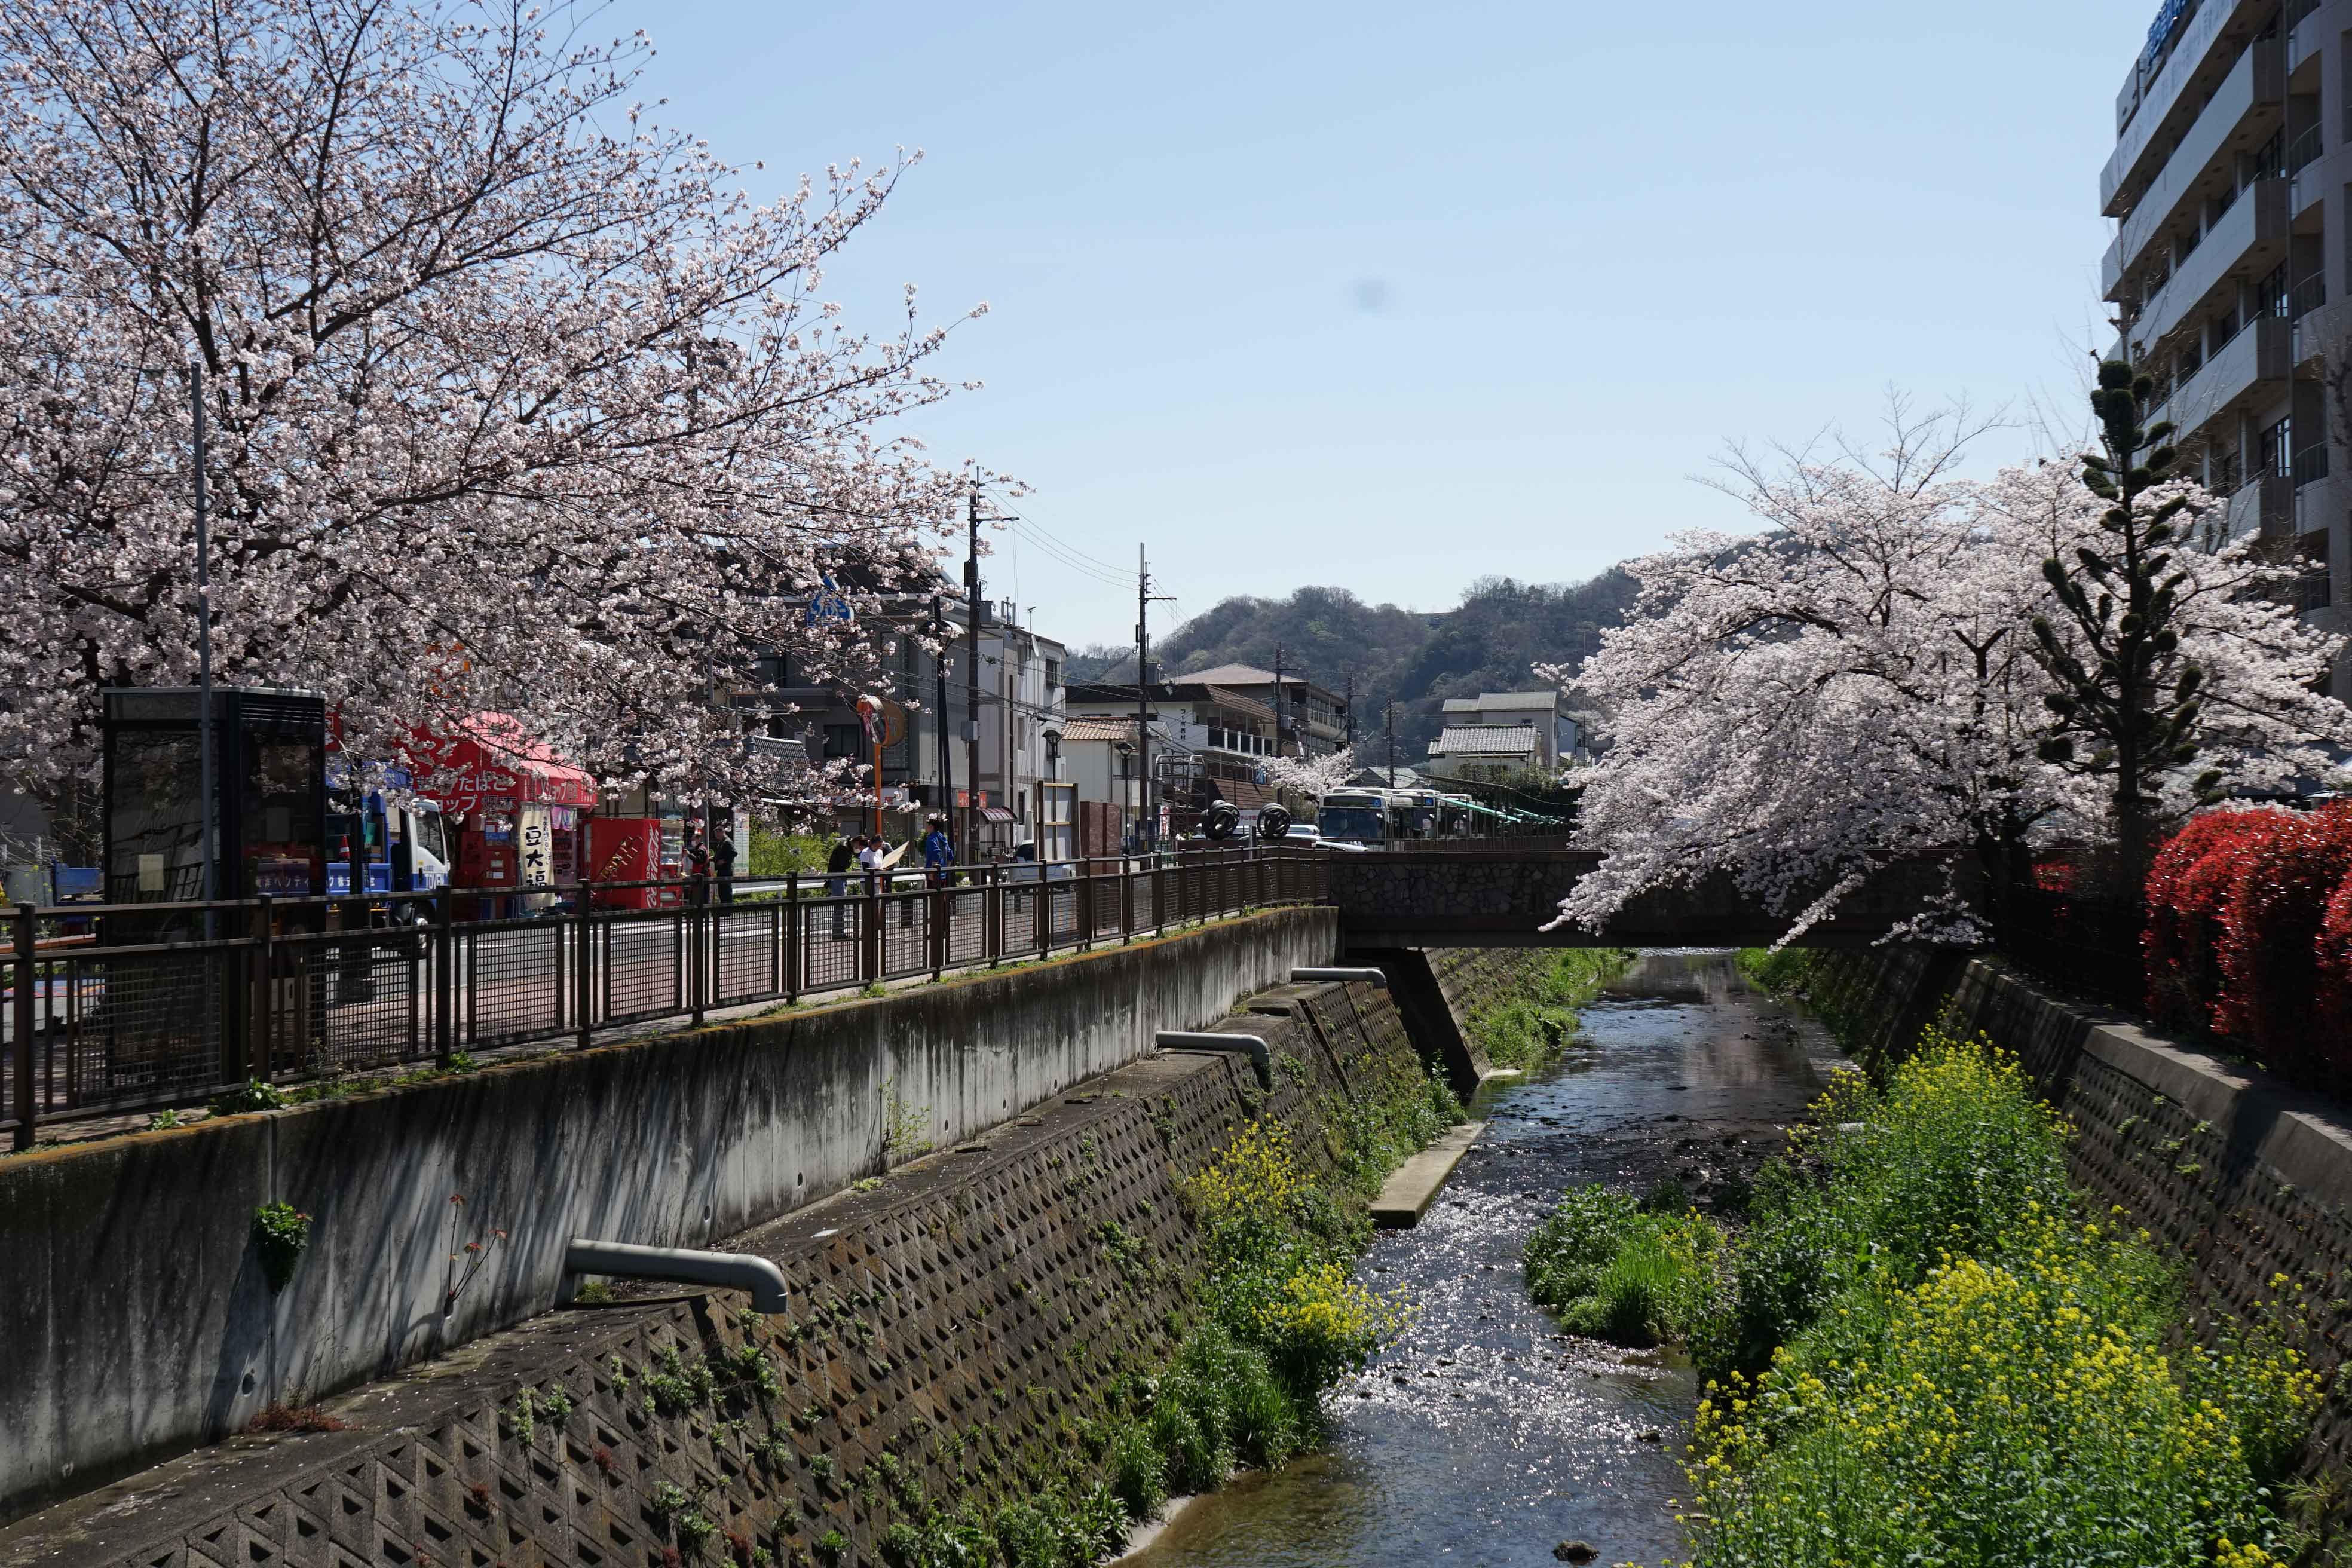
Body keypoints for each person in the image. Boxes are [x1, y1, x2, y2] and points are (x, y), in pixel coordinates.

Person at [827, 834, 860, 938]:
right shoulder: (844, 849)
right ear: (856, 843)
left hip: (838, 878)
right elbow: (844, 865)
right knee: (840, 906)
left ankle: (838, 931)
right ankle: (838, 933)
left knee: (840, 907)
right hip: (837, 879)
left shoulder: (844, 847)